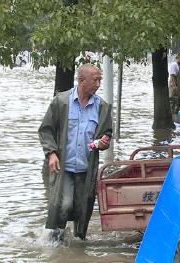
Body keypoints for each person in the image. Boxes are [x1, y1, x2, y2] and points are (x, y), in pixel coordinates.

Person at [38, 64, 113, 241]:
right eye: (96, 80)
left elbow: (106, 135)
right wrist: (51, 153)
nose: (99, 84)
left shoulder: (102, 107)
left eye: (100, 80)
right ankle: (55, 241)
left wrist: (103, 143)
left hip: (86, 168)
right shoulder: (61, 102)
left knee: (83, 209)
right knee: (63, 205)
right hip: (63, 166)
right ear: (81, 81)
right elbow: (45, 130)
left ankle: (79, 245)